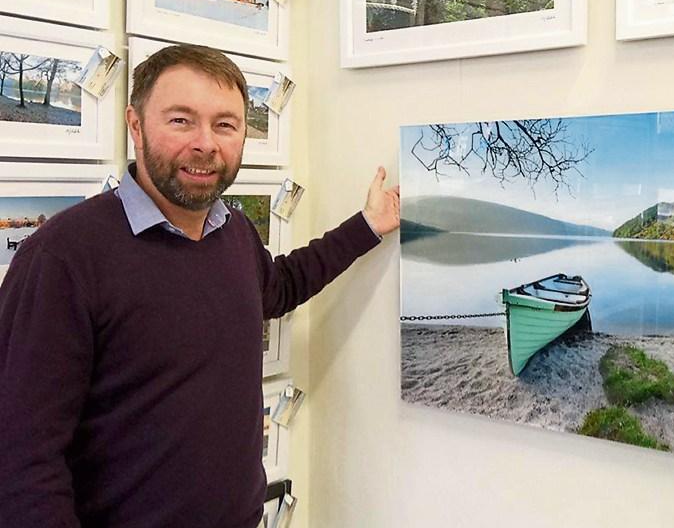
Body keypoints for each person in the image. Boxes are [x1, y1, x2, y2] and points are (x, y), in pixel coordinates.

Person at [0, 45, 399, 528]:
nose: (206, 144)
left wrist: (368, 226)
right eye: (181, 121)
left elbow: (282, 285)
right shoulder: (62, 258)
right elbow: (22, 461)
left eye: (225, 125)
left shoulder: (232, 232)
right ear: (135, 125)